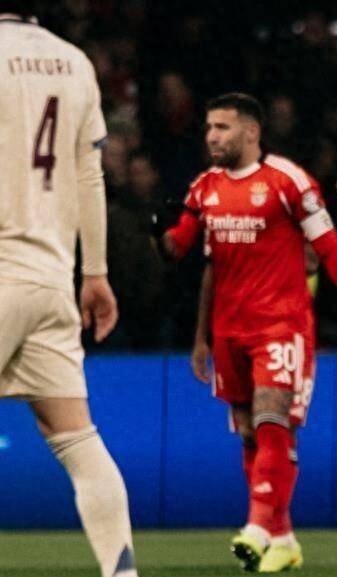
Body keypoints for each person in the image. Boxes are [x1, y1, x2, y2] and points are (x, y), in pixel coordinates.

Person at [161, 92, 337, 573]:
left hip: (281, 323)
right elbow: (205, 265)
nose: (211, 136)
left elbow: (330, 248)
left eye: (221, 127)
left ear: (251, 131)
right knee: (248, 432)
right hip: (228, 330)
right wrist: (200, 337)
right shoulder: (204, 188)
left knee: (271, 418)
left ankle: (257, 527)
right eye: (208, 127)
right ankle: (283, 539)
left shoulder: (288, 181)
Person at [0, 4, 138, 577]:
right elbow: (89, 174)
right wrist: (96, 273)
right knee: (77, 438)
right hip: (53, 279)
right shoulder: (74, 61)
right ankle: (122, 571)